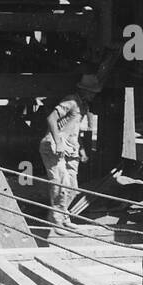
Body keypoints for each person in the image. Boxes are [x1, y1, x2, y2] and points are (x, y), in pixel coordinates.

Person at [40, 74, 101, 228]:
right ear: (84, 90)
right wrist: (58, 142)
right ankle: (56, 220)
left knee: (73, 188)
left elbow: (73, 130)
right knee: (61, 184)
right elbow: (51, 118)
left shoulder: (83, 106)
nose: (93, 94)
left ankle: (62, 216)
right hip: (55, 147)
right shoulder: (71, 101)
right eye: (91, 91)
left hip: (70, 150)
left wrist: (81, 149)